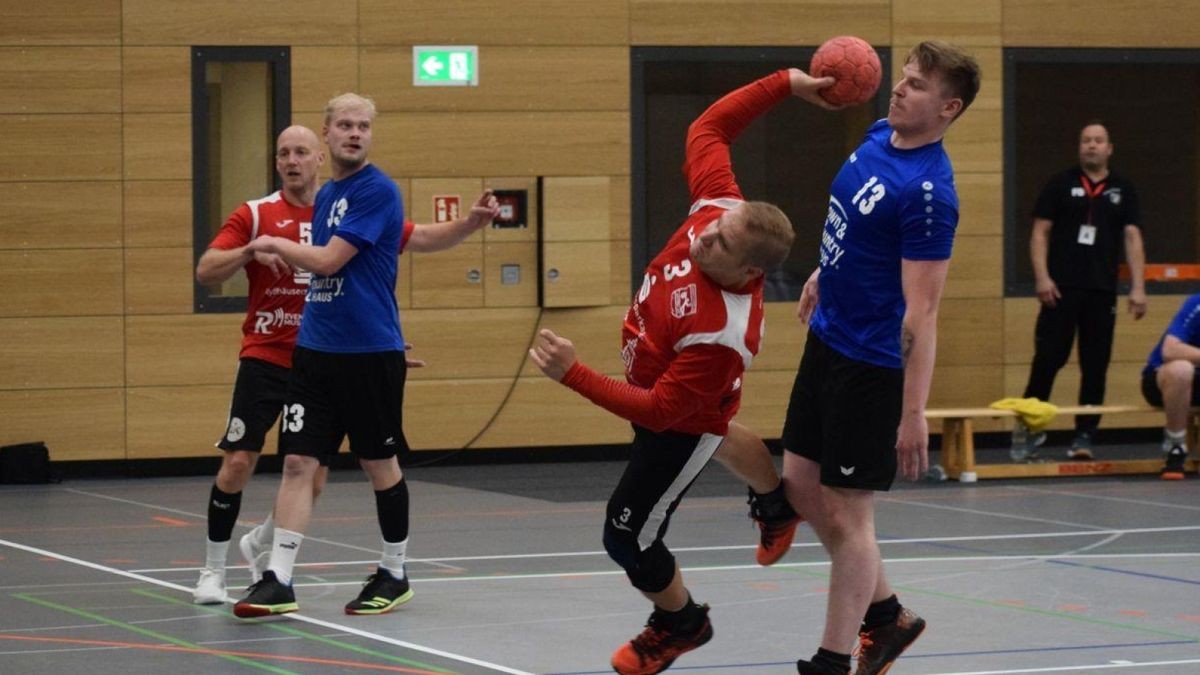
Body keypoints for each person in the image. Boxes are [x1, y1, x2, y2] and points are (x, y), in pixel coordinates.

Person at [530, 68, 813, 675]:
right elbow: (709, 127)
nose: (703, 237)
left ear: (748, 274)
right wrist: (787, 82)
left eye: (719, 245)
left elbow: (662, 412)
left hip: (674, 420)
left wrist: (573, 374)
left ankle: (682, 622)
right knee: (719, 423)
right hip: (683, 398)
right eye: (712, 228)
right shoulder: (721, 208)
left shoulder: (723, 330)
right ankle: (776, 505)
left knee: (626, 536)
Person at [232, 93, 499, 618]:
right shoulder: (331, 194)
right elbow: (414, 237)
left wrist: (274, 245)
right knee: (297, 463)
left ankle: (394, 571)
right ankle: (278, 580)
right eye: (345, 126)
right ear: (327, 134)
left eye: (363, 126)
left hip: (367, 355)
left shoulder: (377, 189)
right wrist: (466, 225)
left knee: (379, 463)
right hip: (314, 351)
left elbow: (330, 262)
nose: (354, 133)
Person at [781, 41, 981, 675]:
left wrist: (912, 412)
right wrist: (824, 269)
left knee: (849, 513)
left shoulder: (929, 195)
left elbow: (922, 312)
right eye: (902, 78)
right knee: (798, 484)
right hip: (827, 338)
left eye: (917, 85)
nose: (899, 89)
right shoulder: (876, 135)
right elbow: (856, 231)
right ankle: (888, 616)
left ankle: (832, 660)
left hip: (870, 365)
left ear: (948, 107)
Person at [191, 125, 331, 605]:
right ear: (277, 163)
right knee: (237, 461)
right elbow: (206, 269)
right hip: (264, 356)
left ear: (320, 159)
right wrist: (249, 250)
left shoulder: (340, 215)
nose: (292, 160)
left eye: (301, 153)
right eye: (283, 154)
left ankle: (262, 542)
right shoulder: (256, 213)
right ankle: (212, 570)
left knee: (312, 474)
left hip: (319, 360)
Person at [1015, 120, 1147, 461]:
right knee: (1048, 359)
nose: (1091, 145)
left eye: (1098, 140)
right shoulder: (1060, 184)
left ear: (1109, 148)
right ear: (1079, 146)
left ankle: (1085, 435)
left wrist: (1138, 287)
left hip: (1101, 291)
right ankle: (1031, 430)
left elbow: (1132, 238)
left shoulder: (1123, 189)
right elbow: (1040, 233)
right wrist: (1042, 277)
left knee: (1095, 364)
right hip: (1060, 289)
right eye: (1086, 140)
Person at [1141, 294, 1200, 480]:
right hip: (1164, 379)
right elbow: (1170, 350)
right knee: (1181, 370)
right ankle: (1175, 446)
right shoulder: (1196, 303)